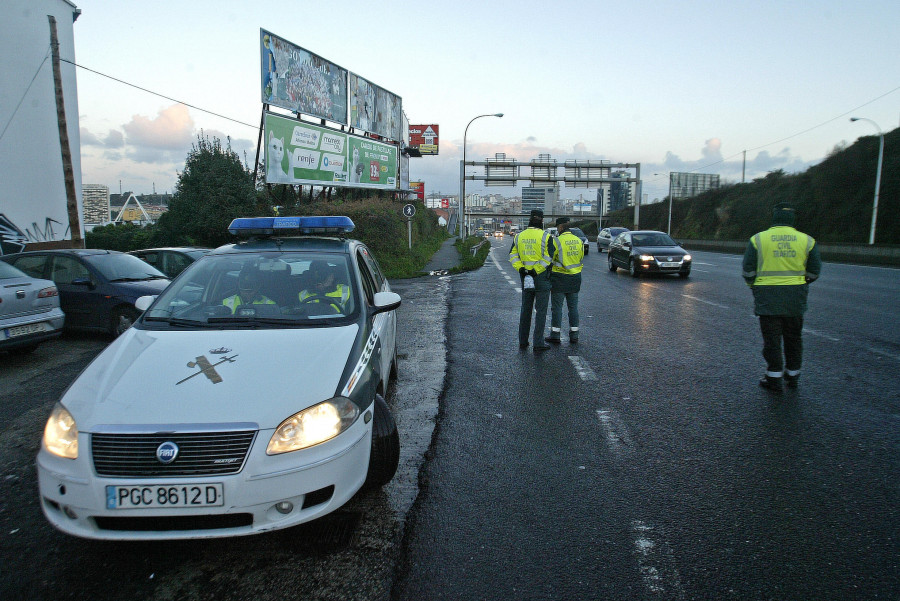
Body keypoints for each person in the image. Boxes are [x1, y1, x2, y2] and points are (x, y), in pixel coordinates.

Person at [742, 202, 822, 392]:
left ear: (774, 217)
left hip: (768, 298)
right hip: (795, 298)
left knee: (772, 340)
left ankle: (774, 378)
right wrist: (801, 284)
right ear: (792, 218)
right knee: (794, 338)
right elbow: (814, 271)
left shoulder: (758, 239)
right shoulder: (807, 240)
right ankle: (793, 376)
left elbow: (748, 270)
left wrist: (754, 287)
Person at [509, 209, 555, 351]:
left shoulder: (519, 236)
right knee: (541, 311)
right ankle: (538, 342)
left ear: (529, 220)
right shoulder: (546, 237)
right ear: (541, 221)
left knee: (525, 309)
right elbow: (548, 257)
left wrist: (522, 269)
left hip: (525, 278)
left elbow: (512, 255)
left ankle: (523, 341)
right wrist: (536, 270)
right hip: (541, 278)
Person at [545, 217, 584, 345]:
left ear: (560, 227)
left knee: (557, 308)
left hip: (559, 278)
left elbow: (550, 259)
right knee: (573, 308)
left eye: (557, 227)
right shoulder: (579, 241)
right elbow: (581, 258)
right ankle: (575, 335)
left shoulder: (557, 241)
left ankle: (555, 335)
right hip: (575, 278)